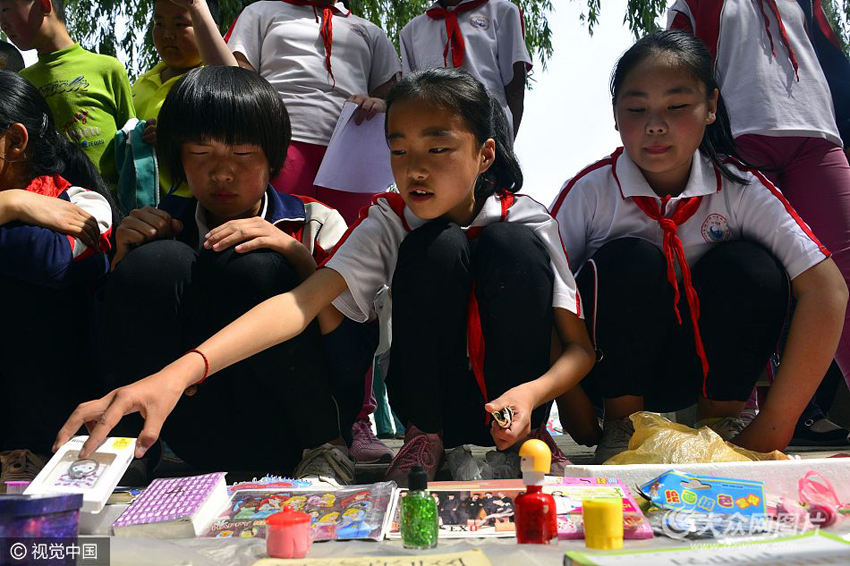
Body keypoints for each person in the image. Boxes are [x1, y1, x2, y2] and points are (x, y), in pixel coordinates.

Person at [55, 68, 596, 488]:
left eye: (438, 148)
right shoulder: (388, 221)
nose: (416, 169)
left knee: (506, 247)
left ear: (484, 156)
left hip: (513, 409)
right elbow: (299, 305)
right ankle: (425, 436)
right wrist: (174, 375)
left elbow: (578, 349)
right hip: (434, 401)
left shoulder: (527, 220)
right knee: (436, 245)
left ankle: (501, 453)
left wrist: (532, 394)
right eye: (399, 150)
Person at [550, 30, 847, 463]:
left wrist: (775, 427)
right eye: (637, 109)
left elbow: (828, 291)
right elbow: (542, 297)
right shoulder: (590, 193)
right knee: (627, 260)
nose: (655, 125)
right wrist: (574, 408)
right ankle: (624, 425)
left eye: (677, 106)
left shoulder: (740, 188)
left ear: (710, 107)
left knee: (751, 267)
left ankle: (723, 422)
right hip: (612, 372)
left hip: (705, 372)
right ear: (616, 115)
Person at [96, 66, 371, 483]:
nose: (222, 173)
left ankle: (326, 450)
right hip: (196, 431)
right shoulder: (162, 229)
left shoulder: (316, 222)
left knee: (256, 264)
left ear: (272, 157)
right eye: (202, 154)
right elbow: (120, 340)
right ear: (178, 158)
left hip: (295, 430)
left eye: (242, 155)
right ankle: (134, 447)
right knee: (156, 264)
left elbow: (354, 358)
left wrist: (298, 259)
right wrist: (124, 264)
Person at [669, 0, 850, 444]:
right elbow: (674, 73)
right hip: (738, 137)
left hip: (816, 135)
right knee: (753, 274)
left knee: (842, 272)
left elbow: (833, 60)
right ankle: (736, 415)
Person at [0, 70, 117, 491]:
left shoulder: (80, 202)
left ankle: (23, 447)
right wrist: (11, 204)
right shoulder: (18, 203)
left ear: (15, 141)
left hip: (53, 404)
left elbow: (49, 261)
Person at [0, 0, 135, 185]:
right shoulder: (24, 82)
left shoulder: (108, 69)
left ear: (43, 6)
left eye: (5, 10)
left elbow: (130, 141)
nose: (2, 23)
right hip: (56, 202)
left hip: (114, 203)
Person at [399, 0, 531, 138]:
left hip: (489, 131)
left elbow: (515, 87)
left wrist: (506, 143)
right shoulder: (412, 31)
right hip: (434, 138)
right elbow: (409, 98)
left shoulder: (503, 12)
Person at [131, 0, 220, 198]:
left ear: (210, 28)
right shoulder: (141, 83)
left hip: (191, 208)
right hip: (137, 210)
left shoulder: (215, 85)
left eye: (180, 25)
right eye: (159, 24)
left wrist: (173, 142)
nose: (168, 34)